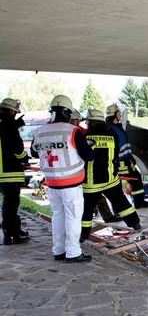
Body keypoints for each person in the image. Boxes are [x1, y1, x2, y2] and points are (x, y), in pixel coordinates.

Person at [32, 95, 95, 263]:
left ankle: (58, 250)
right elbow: (89, 156)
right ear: (67, 112)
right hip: (71, 184)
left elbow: (33, 152)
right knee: (73, 218)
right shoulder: (72, 131)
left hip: (51, 183)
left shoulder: (39, 131)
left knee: (58, 216)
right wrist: (90, 147)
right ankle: (73, 252)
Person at [80, 109, 141, 241]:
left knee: (87, 211)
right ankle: (135, 223)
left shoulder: (86, 138)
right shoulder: (112, 136)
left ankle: (83, 236)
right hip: (110, 180)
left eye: (88, 121)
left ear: (92, 122)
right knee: (122, 204)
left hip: (91, 183)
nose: (86, 123)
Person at [105, 103, 148, 208]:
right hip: (120, 163)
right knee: (131, 181)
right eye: (119, 113)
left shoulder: (115, 127)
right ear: (115, 114)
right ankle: (137, 203)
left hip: (125, 160)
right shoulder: (111, 129)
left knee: (135, 179)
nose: (120, 115)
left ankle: (138, 203)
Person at [0, 98, 30, 245]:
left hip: (1, 174)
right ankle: (12, 235)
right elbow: (18, 149)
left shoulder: (4, 124)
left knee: (7, 204)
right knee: (11, 205)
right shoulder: (10, 125)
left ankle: (10, 232)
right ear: (11, 111)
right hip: (11, 172)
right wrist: (25, 159)